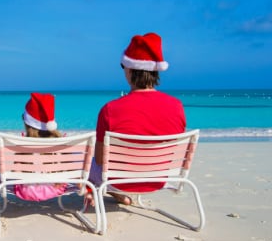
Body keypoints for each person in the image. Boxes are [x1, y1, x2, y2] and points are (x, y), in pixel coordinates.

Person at [88, 32, 186, 205]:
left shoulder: (110, 109)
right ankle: (118, 196)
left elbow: (100, 159)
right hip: (158, 179)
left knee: (85, 157)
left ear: (131, 69)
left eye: (122, 66)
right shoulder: (177, 106)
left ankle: (100, 194)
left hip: (119, 181)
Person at [13, 92, 68, 202]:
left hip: (26, 191)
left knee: (0, 176)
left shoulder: (23, 144)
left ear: (28, 123)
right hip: (55, 189)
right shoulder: (62, 143)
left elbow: (16, 172)